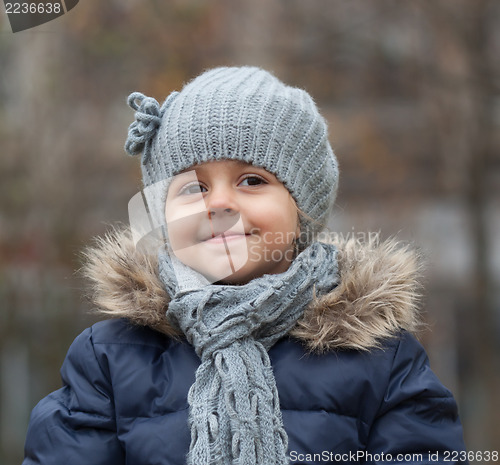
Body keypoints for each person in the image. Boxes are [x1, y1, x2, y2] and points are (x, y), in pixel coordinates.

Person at [23, 66, 468, 465]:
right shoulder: (110, 357)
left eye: (252, 180)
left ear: (303, 212)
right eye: (192, 187)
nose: (218, 203)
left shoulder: (380, 358)